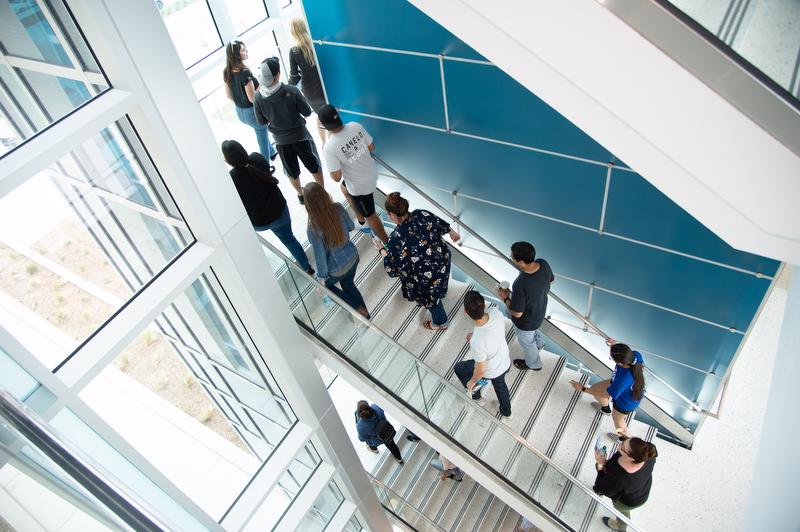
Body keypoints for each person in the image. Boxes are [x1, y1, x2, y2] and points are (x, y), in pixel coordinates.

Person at [221, 140, 313, 275]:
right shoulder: (257, 158)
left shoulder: (232, 179)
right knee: (289, 239)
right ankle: (306, 266)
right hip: (280, 211)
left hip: (260, 223)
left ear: (228, 160)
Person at [374, 192, 460, 330]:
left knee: (432, 300)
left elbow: (392, 269)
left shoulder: (396, 239)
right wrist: (451, 232)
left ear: (392, 215)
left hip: (426, 280)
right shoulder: (421, 214)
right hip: (441, 263)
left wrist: (381, 250)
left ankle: (441, 322)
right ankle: (440, 291)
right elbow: (438, 223)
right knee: (438, 286)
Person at [253, 56, 324, 205]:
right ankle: (322, 191)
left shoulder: (258, 97)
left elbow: (261, 122)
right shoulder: (291, 91)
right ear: (277, 75)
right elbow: (307, 112)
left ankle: (301, 194)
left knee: (291, 171)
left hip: (280, 142)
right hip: (301, 136)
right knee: (314, 164)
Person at [318, 104, 389, 243]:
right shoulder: (355, 126)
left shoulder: (329, 148)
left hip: (360, 188)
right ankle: (361, 220)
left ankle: (386, 242)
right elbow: (372, 147)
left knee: (372, 216)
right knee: (344, 189)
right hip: (371, 173)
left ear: (325, 126)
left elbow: (336, 177)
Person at [304, 182, 370, 319]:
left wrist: (321, 280)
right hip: (352, 257)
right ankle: (365, 316)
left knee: (326, 288)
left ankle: (357, 309)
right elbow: (351, 226)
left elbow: (320, 256)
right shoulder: (338, 208)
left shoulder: (313, 228)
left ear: (308, 204)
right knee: (348, 284)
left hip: (336, 268)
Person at [570, 340, 646, 440]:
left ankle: (624, 437)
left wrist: (582, 388)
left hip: (625, 402)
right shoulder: (635, 356)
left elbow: (605, 394)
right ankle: (605, 409)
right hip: (620, 385)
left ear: (619, 363)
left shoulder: (623, 379)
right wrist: (614, 346)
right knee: (595, 389)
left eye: (611, 357)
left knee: (617, 419)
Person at [454, 290, 513, 419]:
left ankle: (476, 396)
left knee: (459, 368)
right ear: (484, 305)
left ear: (465, 312)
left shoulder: (477, 341)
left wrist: (471, 382)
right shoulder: (495, 313)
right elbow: (491, 332)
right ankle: (507, 413)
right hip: (505, 361)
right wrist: (475, 336)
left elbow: (480, 370)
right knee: (501, 387)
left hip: (490, 370)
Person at [497, 242, 554, 371]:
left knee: (528, 343)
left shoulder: (521, 283)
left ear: (521, 262)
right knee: (532, 332)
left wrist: (505, 298)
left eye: (512, 257)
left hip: (526, 322)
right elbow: (552, 280)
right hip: (540, 311)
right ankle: (539, 343)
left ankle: (534, 364)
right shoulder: (543, 263)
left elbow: (517, 313)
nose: (511, 258)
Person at [222, 41, 277, 162]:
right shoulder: (245, 73)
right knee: (262, 139)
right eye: (243, 50)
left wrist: (241, 100)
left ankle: (272, 152)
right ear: (236, 55)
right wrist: (261, 89)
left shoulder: (227, 71)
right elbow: (252, 98)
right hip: (252, 113)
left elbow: (229, 96)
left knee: (260, 132)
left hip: (240, 112)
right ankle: (265, 166)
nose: (246, 51)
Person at [593, 437, 658, 531]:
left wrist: (600, 463)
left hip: (629, 502)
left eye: (622, 446)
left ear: (631, 457)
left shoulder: (619, 480)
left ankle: (621, 526)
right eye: (623, 442)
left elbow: (601, 488)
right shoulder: (648, 452)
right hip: (642, 488)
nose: (619, 445)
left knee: (622, 512)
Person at [288, 17, 327, 145]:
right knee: (334, 112)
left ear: (293, 32)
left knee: (320, 116)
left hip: (311, 91)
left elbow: (294, 77)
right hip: (326, 85)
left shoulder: (294, 51)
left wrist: (287, 89)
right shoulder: (317, 43)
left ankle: (324, 144)